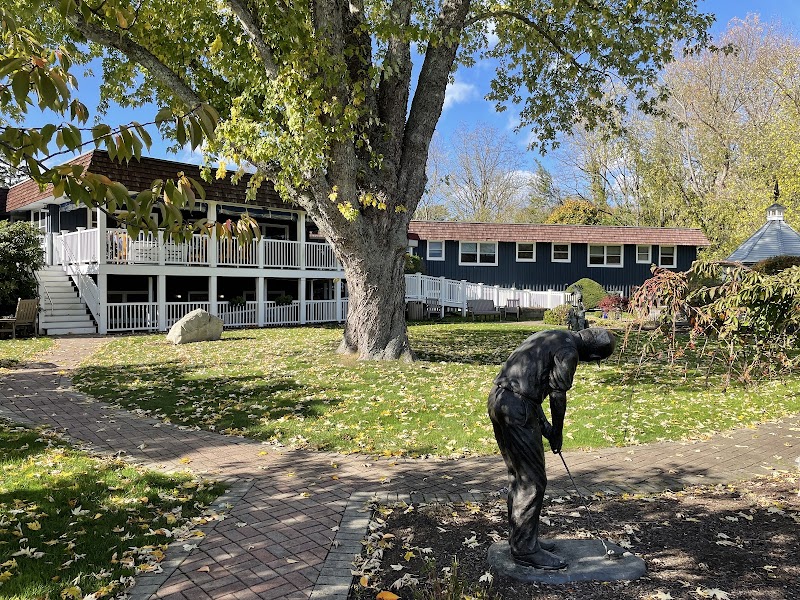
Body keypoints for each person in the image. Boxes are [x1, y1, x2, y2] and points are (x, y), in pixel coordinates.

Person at [487, 328, 616, 570]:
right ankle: (525, 549)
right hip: (516, 408)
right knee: (532, 480)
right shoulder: (569, 352)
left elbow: (531, 385)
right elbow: (557, 396)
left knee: (519, 475)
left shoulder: (552, 335)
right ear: (594, 357)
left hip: (499, 399)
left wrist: (545, 428)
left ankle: (523, 539)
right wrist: (557, 431)